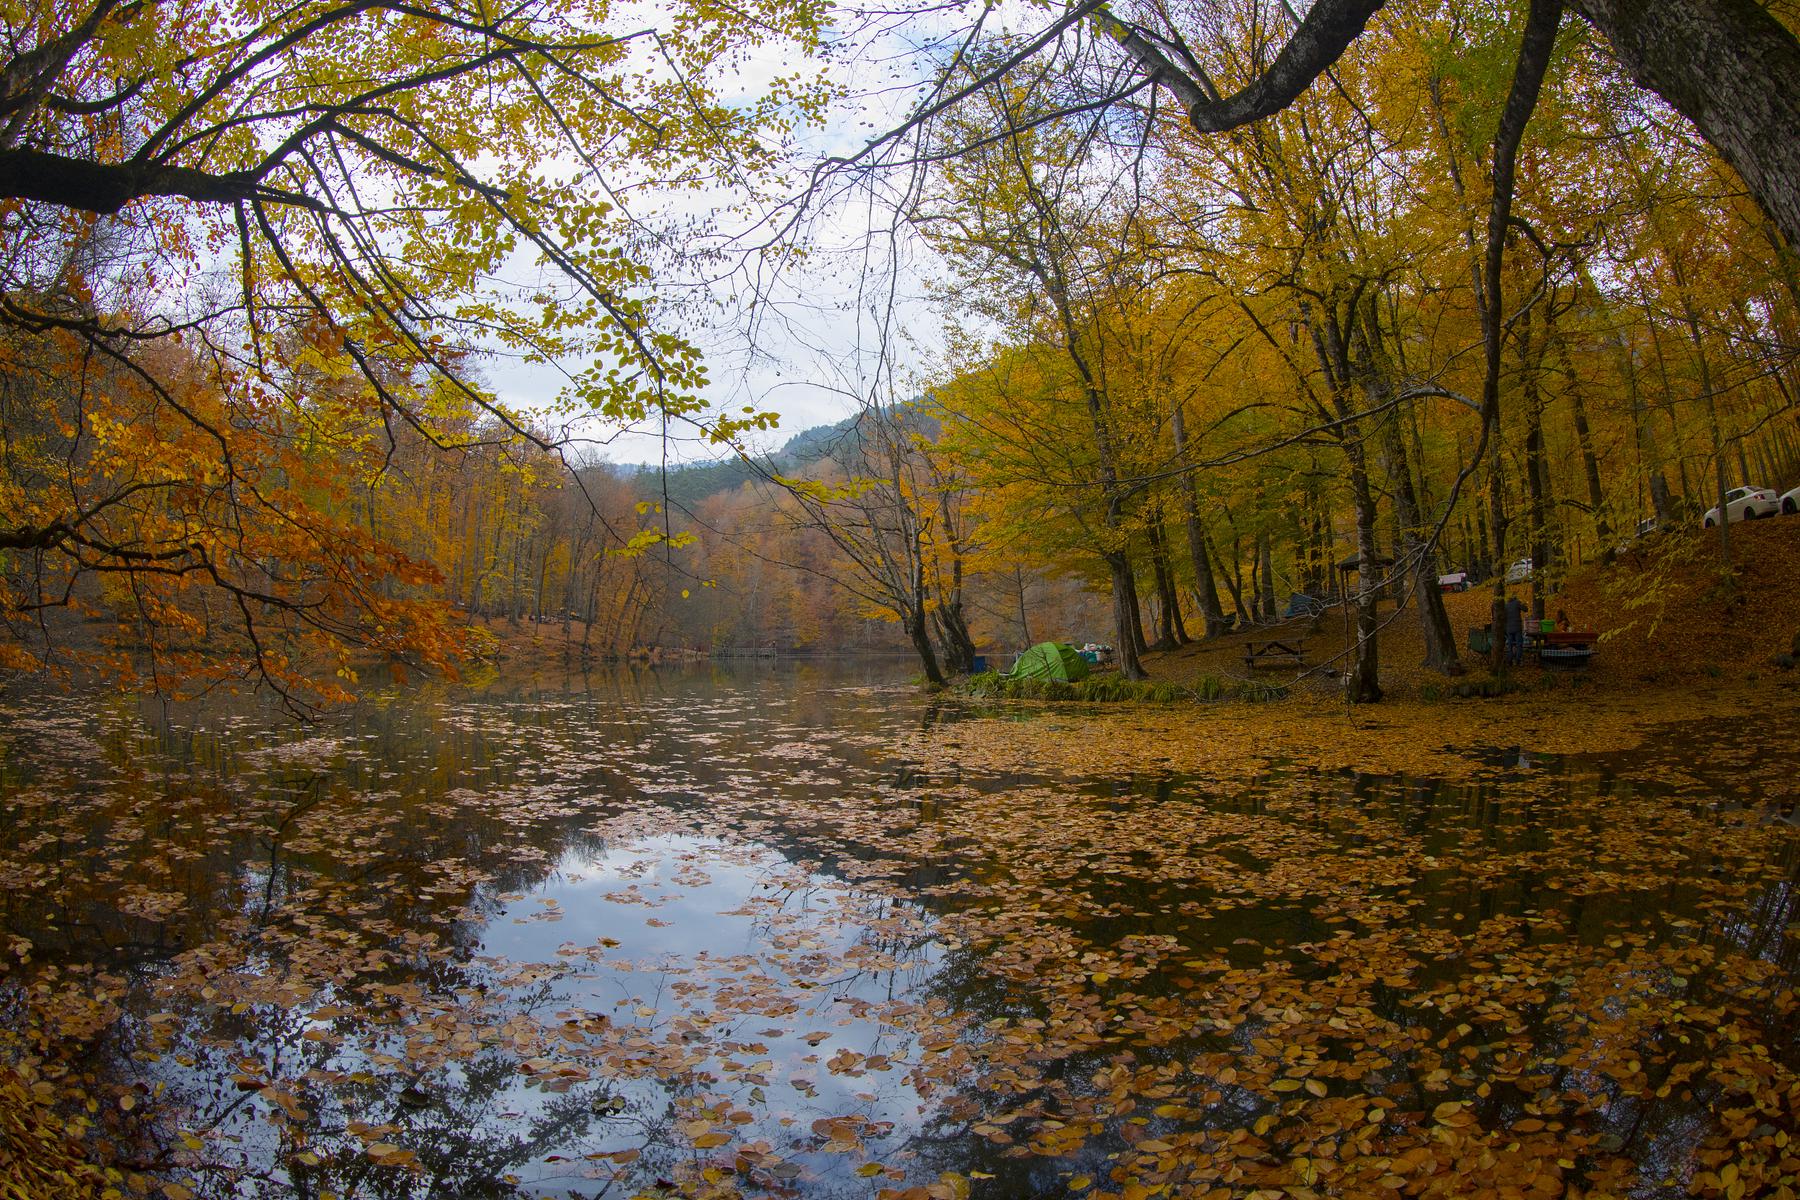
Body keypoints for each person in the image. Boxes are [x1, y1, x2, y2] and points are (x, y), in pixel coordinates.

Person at [1504, 593, 1526, 666]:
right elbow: (1526, 609)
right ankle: (1518, 660)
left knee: (1510, 645)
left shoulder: (1506, 605)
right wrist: (1523, 603)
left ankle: (1510, 660)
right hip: (1517, 628)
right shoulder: (1517, 603)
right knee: (1519, 644)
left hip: (1509, 628)